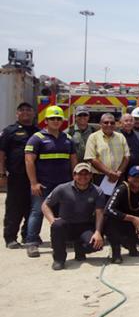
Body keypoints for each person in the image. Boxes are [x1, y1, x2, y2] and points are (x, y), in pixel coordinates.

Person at [24, 105, 77, 258]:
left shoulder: (67, 139)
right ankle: (32, 242)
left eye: (58, 118)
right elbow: (29, 161)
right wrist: (34, 183)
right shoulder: (36, 138)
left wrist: (74, 180)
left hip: (63, 184)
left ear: (62, 121)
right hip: (43, 184)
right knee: (37, 212)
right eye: (52, 118)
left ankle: (64, 239)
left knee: (63, 212)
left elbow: (73, 160)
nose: (55, 121)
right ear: (46, 120)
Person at [41, 163, 105, 270]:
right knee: (57, 226)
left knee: (96, 244)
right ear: (74, 175)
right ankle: (59, 259)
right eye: (80, 174)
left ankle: (80, 248)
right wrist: (52, 220)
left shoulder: (97, 191)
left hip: (85, 225)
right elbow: (45, 205)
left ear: (91, 176)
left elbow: (100, 213)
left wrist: (98, 232)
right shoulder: (62, 188)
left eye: (86, 174)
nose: (83, 177)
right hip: (66, 225)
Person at [104, 166, 139, 263]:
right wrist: (132, 218)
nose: (137, 179)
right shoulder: (121, 189)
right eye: (134, 176)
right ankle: (116, 251)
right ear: (129, 178)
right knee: (109, 221)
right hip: (122, 223)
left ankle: (134, 245)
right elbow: (108, 209)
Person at [0, 102, 38, 248]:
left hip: (34, 176)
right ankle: (10, 238)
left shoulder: (38, 131)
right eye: (22, 110)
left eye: (28, 110)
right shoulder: (9, 131)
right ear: (17, 114)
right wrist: (2, 173)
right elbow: (1, 153)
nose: (25, 112)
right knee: (14, 207)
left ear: (33, 113)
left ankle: (27, 235)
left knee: (32, 207)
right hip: (16, 176)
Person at [84, 113, 130, 195]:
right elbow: (91, 158)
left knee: (116, 204)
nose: (109, 125)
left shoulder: (121, 137)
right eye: (106, 122)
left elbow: (126, 157)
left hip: (118, 177)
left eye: (112, 123)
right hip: (99, 177)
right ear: (100, 124)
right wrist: (109, 173)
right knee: (100, 203)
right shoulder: (93, 137)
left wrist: (119, 172)